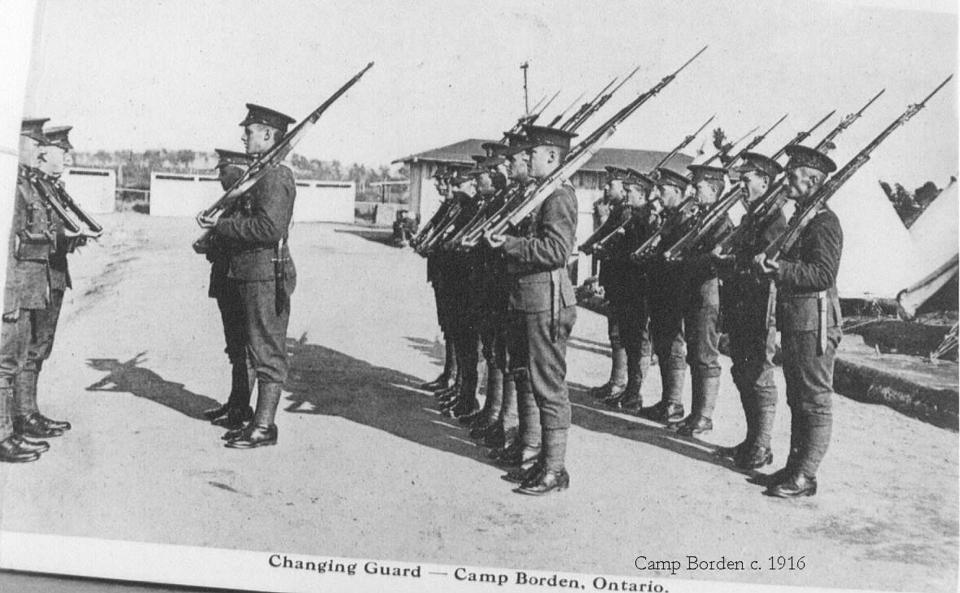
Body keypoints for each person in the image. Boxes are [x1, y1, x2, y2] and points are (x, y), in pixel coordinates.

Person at [486, 124, 578, 496]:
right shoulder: (539, 195)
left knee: (549, 385)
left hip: (547, 302)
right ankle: (541, 457)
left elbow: (557, 251)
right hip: (529, 299)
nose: (526, 159)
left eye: (533, 154)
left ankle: (555, 469)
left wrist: (509, 245)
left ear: (553, 157)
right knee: (529, 378)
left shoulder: (559, 196)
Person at [198, 103, 297, 449]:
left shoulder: (275, 176)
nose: (244, 135)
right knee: (246, 346)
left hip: (264, 275)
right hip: (247, 273)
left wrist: (221, 226)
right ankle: (248, 415)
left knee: (266, 351)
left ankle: (264, 426)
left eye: (250, 130)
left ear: (269, 135)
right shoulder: (259, 173)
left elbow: (270, 228)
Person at [754, 145, 841, 498]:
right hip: (796, 320)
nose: (786, 180)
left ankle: (805, 475)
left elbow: (823, 274)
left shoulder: (824, 222)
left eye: (793, 175)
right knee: (797, 398)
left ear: (813, 181)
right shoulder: (802, 218)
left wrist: (781, 269)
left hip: (815, 322)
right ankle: (794, 468)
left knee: (814, 399)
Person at [714, 152, 786, 469]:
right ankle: (751, 440)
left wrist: (733, 262)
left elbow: (766, 266)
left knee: (759, 375)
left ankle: (762, 445)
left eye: (746, 180)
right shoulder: (750, 219)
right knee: (742, 373)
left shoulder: (775, 222)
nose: (741, 186)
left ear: (765, 182)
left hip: (760, 307)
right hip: (742, 305)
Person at [0, 119, 64, 462]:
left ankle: (15, 425)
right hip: (16, 288)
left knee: (17, 357)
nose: (40, 150)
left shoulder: (26, 183)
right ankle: (5, 434)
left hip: (28, 286)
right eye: (35, 143)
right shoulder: (12, 186)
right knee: (6, 362)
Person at [669, 164, 730, 437]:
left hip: (709, 295)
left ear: (716, 190)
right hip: (695, 292)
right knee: (695, 354)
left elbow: (717, 261)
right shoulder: (702, 219)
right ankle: (696, 414)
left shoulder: (722, 223)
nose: (694, 190)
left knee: (706, 355)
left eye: (700, 187)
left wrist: (688, 261)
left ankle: (704, 416)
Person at [201, 149, 257, 431]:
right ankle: (235, 402)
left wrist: (219, 232)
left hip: (240, 279)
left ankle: (241, 408)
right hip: (225, 278)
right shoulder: (230, 202)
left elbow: (246, 235)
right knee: (235, 346)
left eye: (223, 171)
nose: (220, 177)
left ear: (238, 170)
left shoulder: (246, 199)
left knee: (245, 347)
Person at [639, 168, 691, 424]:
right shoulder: (669, 217)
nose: (657, 194)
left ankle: (674, 403)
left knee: (673, 347)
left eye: (663, 190)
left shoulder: (685, 219)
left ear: (678, 192)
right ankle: (667, 399)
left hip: (674, 292)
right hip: (661, 290)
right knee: (662, 346)